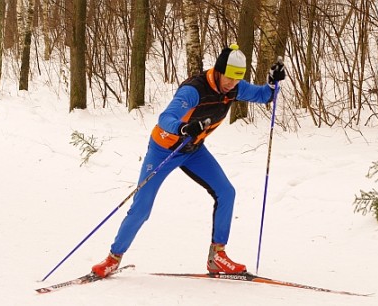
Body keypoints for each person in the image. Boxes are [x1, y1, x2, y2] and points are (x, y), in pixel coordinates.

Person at [92, 44, 285, 277]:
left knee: (226, 191)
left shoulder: (234, 88)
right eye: (229, 78)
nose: (232, 85)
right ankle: (113, 258)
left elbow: (264, 95)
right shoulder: (193, 90)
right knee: (142, 209)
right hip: (164, 150)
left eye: (237, 80)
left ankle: (217, 257)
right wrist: (184, 128)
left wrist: (273, 83)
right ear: (219, 70)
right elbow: (166, 118)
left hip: (193, 151)